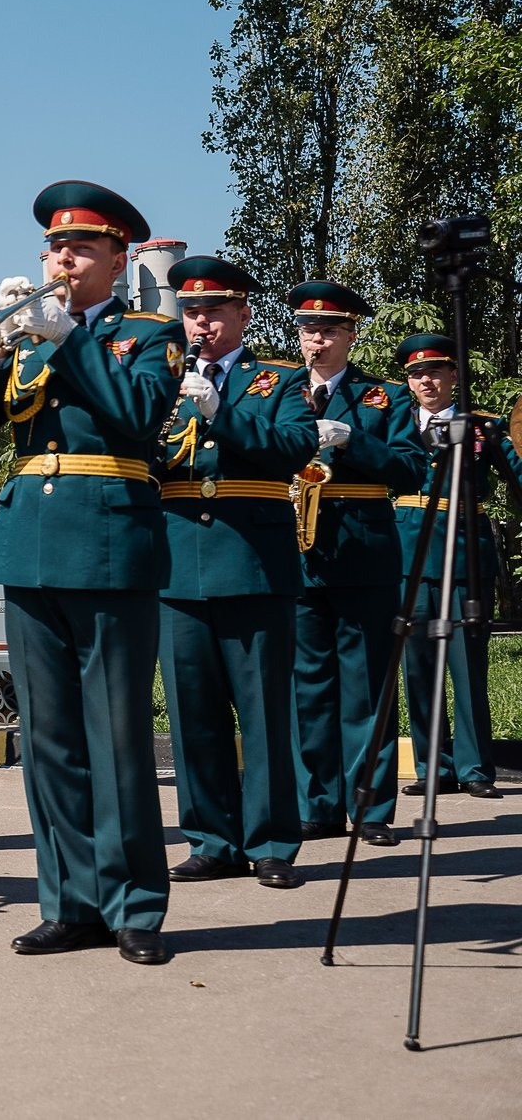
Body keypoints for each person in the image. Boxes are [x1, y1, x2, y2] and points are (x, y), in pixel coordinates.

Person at [0, 180, 182, 966]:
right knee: (49, 741)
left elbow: (139, 414)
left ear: (117, 257)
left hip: (109, 546)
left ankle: (135, 903)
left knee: (116, 736)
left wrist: (71, 337)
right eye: (52, 247)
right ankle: (69, 899)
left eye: (78, 247)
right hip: (32, 547)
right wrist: (1, 338)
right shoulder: (32, 339)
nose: (60, 259)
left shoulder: (147, 333)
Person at [154, 257, 315, 890]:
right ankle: (210, 839)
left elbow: (293, 447)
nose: (200, 324)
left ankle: (272, 840)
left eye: (214, 311)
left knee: (264, 711)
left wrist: (221, 409)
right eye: (191, 313)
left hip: (252, 561)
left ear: (243, 314)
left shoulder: (276, 380)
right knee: (194, 715)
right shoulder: (159, 379)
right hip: (176, 566)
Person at [285, 282, 425, 847]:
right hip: (296, 549)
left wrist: (352, 446)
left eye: (328, 330)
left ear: (351, 335)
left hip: (361, 548)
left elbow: (411, 470)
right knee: (308, 686)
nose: (315, 339)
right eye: (307, 329)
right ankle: (316, 806)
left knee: (367, 686)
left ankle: (370, 808)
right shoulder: (279, 390)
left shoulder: (384, 398)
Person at [391, 334, 513, 802]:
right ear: (409, 381)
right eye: (418, 374)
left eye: (437, 371)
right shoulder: (394, 424)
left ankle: (476, 767)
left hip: (465, 555)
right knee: (418, 669)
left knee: (467, 668)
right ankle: (433, 766)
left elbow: (515, 476)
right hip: (411, 552)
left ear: (454, 376)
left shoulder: (483, 427)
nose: (427, 380)